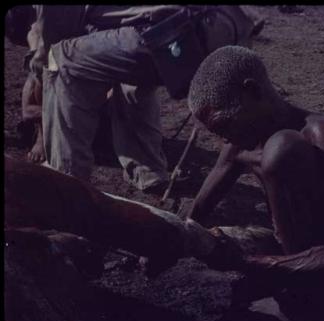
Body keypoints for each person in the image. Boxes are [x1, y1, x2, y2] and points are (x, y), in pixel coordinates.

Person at [185, 46, 324, 318]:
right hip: (318, 245)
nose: (226, 140)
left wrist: (251, 263)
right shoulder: (242, 137)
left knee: (281, 150)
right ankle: (299, 280)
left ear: (253, 91)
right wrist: (171, 238)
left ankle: (312, 293)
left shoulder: (319, 135)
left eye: (225, 125)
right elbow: (196, 215)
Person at [25, 5, 261, 193]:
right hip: (225, 28)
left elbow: (52, 34)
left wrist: (39, 64)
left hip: (174, 32)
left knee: (62, 59)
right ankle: (149, 171)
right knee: (124, 67)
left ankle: (69, 185)